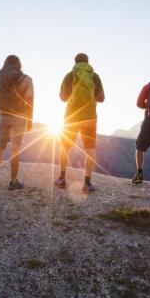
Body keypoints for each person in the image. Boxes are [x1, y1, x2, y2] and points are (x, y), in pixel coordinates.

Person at [55, 53, 105, 193]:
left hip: (71, 116)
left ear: (75, 62)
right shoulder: (94, 77)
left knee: (65, 147)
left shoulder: (70, 75)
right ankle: (87, 184)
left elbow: (63, 97)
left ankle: (62, 179)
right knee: (90, 149)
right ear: (88, 62)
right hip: (89, 117)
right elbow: (101, 98)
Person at [0, 55, 34, 190]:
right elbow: (30, 101)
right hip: (19, 117)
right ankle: (13, 181)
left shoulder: (2, 78)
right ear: (19, 64)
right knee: (15, 149)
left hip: (3, 115)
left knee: (1, 146)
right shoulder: (26, 79)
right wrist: (29, 120)